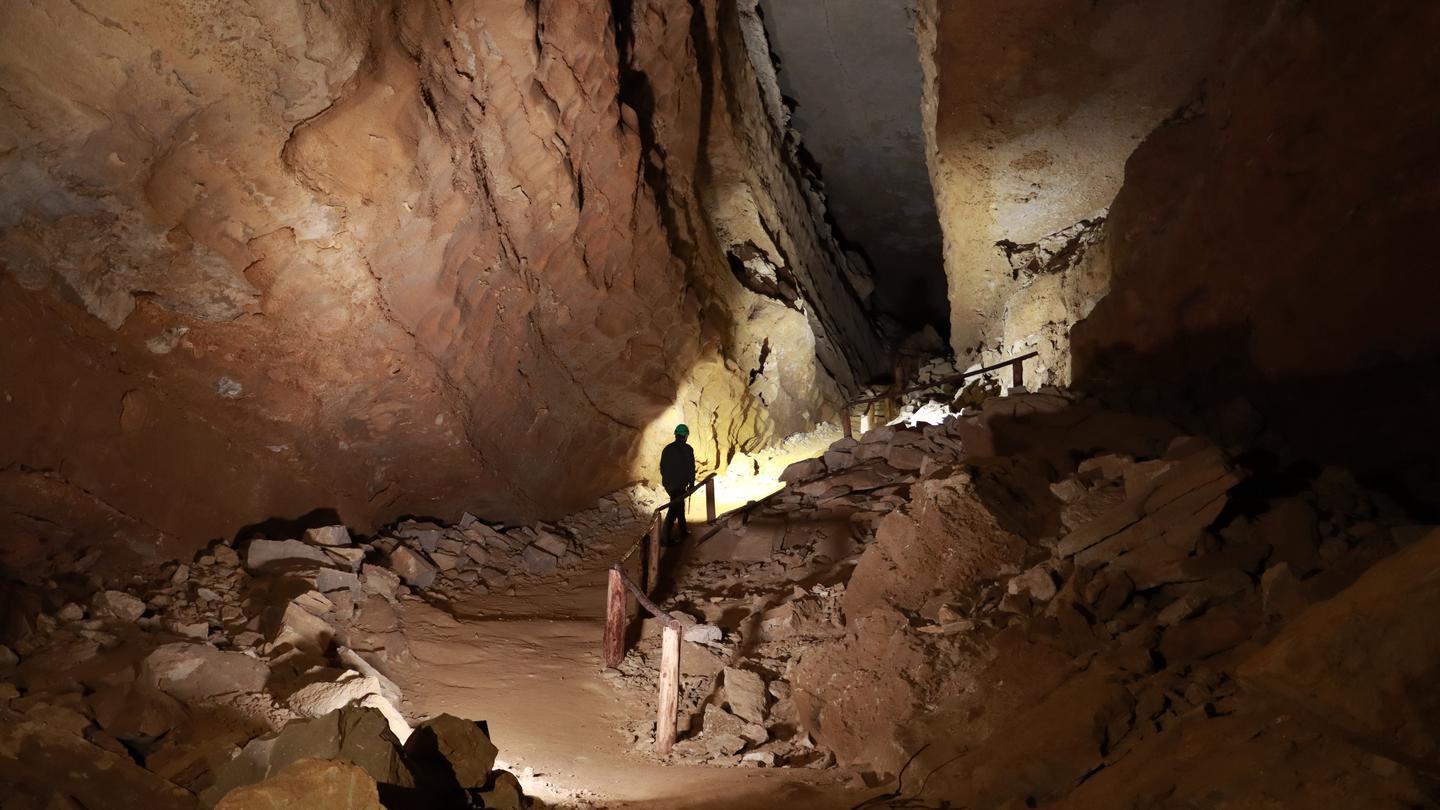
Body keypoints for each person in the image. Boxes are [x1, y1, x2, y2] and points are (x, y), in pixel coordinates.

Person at [659, 423, 696, 546]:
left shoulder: (667, 448)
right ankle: (664, 539)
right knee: (674, 508)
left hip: (669, 484)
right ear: (685, 436)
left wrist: (667, 480)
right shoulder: (688, 449)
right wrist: (691, 483)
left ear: (676, 435)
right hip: (679, 485)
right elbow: (690, 468)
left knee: (679, 505)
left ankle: (683, 529)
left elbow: (662, 467)